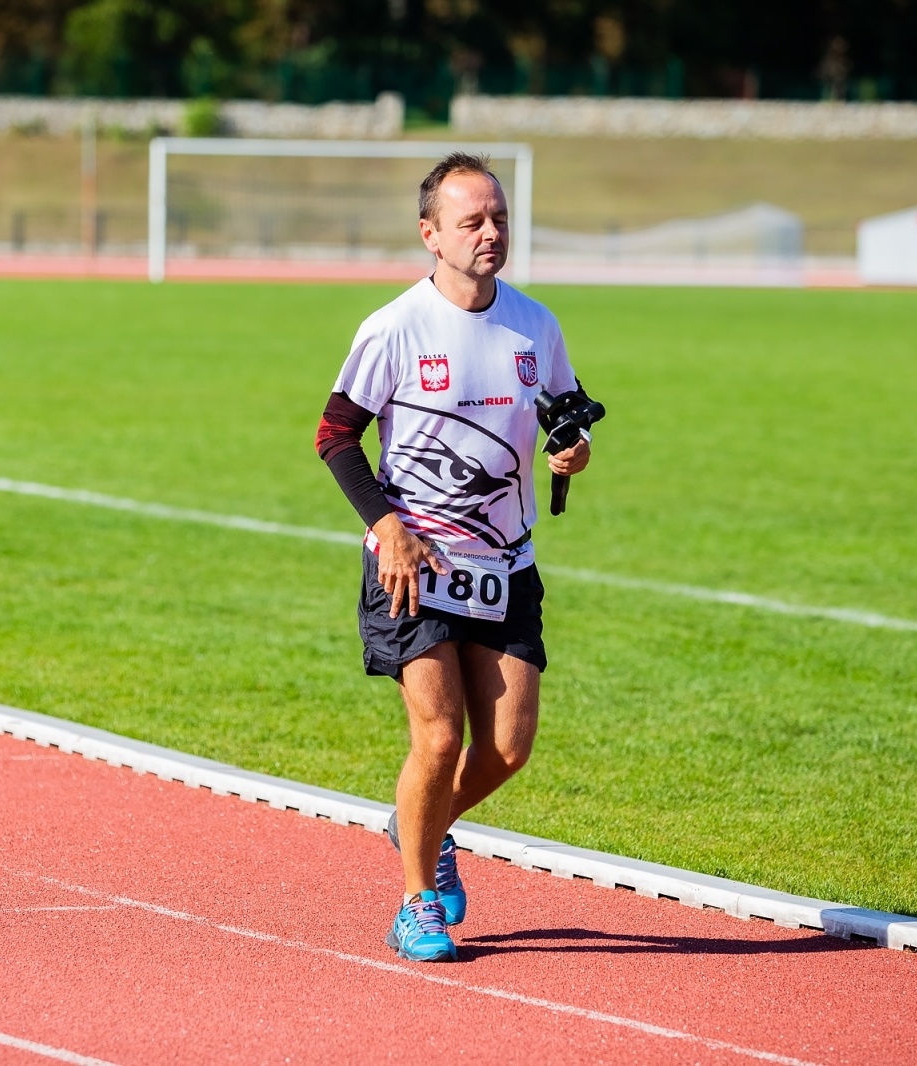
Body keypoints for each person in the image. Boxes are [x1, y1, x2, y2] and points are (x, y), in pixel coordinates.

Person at [314, 152, 591, 962]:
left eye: (499, 217)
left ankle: (425, 826)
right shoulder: (394, 327)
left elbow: (563, 411)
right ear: (430, 234)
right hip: (415, 563)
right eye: (471, 221)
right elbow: (335, 437)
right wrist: (386, 525)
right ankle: (415, 902)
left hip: (505, 563)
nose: (491, 233)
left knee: (506, 747)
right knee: (439, 740)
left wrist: (569, 451)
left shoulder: (535, 323)